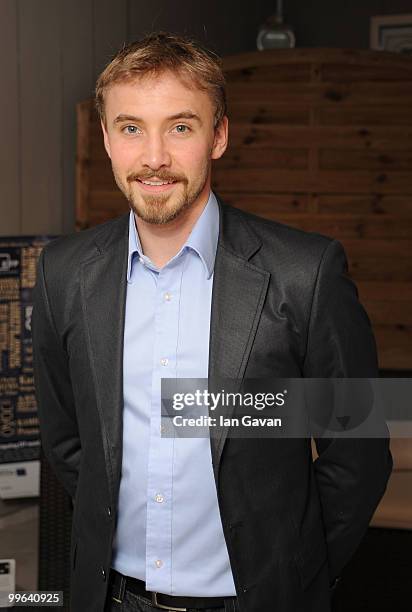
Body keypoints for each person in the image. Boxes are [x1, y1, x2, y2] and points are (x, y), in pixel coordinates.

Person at [32, 32, 392, 612]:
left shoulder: (306, 273)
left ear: (218, 136)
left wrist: (294, 571)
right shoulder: (63, 274)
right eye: (130, 128)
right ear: (105, 138)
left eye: (180, 126)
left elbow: (359, 454)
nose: (153, 157)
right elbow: (69, 442)